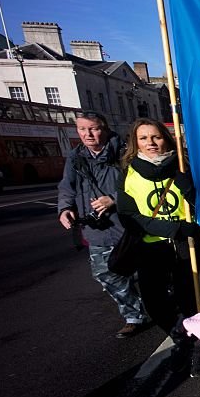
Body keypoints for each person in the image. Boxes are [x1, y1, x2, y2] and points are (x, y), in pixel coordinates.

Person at [117, 119, 200, 377]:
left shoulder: (182, 167)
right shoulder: (129, 173)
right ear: (135, 144)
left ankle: (197, 349)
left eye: (156, 137)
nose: (151, 143)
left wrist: (188, 187)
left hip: (185, 246)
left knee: (188, 300)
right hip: (151, 248)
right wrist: (171, 229)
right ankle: (180, 336)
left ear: (166, 139)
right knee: (154, 303)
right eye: (144, 138)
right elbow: (128, 215)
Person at [57, 111, 149, 339]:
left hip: (129, 225)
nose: (88, 134)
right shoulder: (76, 156)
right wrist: (65, 208)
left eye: (94, 128)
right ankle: (133, 316)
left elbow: (143, 185)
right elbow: (67, 187)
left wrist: (114, 199)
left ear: (105, 128)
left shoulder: (125, 153)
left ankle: (163, 302)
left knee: (147, 271)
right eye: (82, 129)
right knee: (104, 273)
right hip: (97, 228)